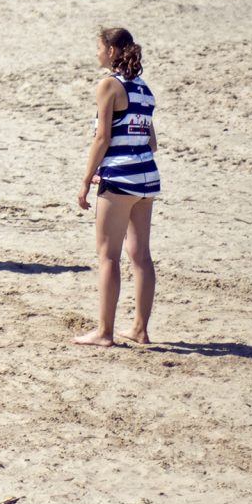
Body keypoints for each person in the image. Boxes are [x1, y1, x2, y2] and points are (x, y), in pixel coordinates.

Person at [72, 26, 158, 346]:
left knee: (108, 255)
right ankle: (140, 329)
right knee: (141, 256)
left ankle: (104, 332)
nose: (96, 53)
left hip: (120, 179)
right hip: (146, 177)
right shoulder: (143, 88)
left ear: (111, 51)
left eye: (99, 48)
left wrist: (86, 180)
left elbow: (103, 138)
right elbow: (151, 142)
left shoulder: (109, 85)